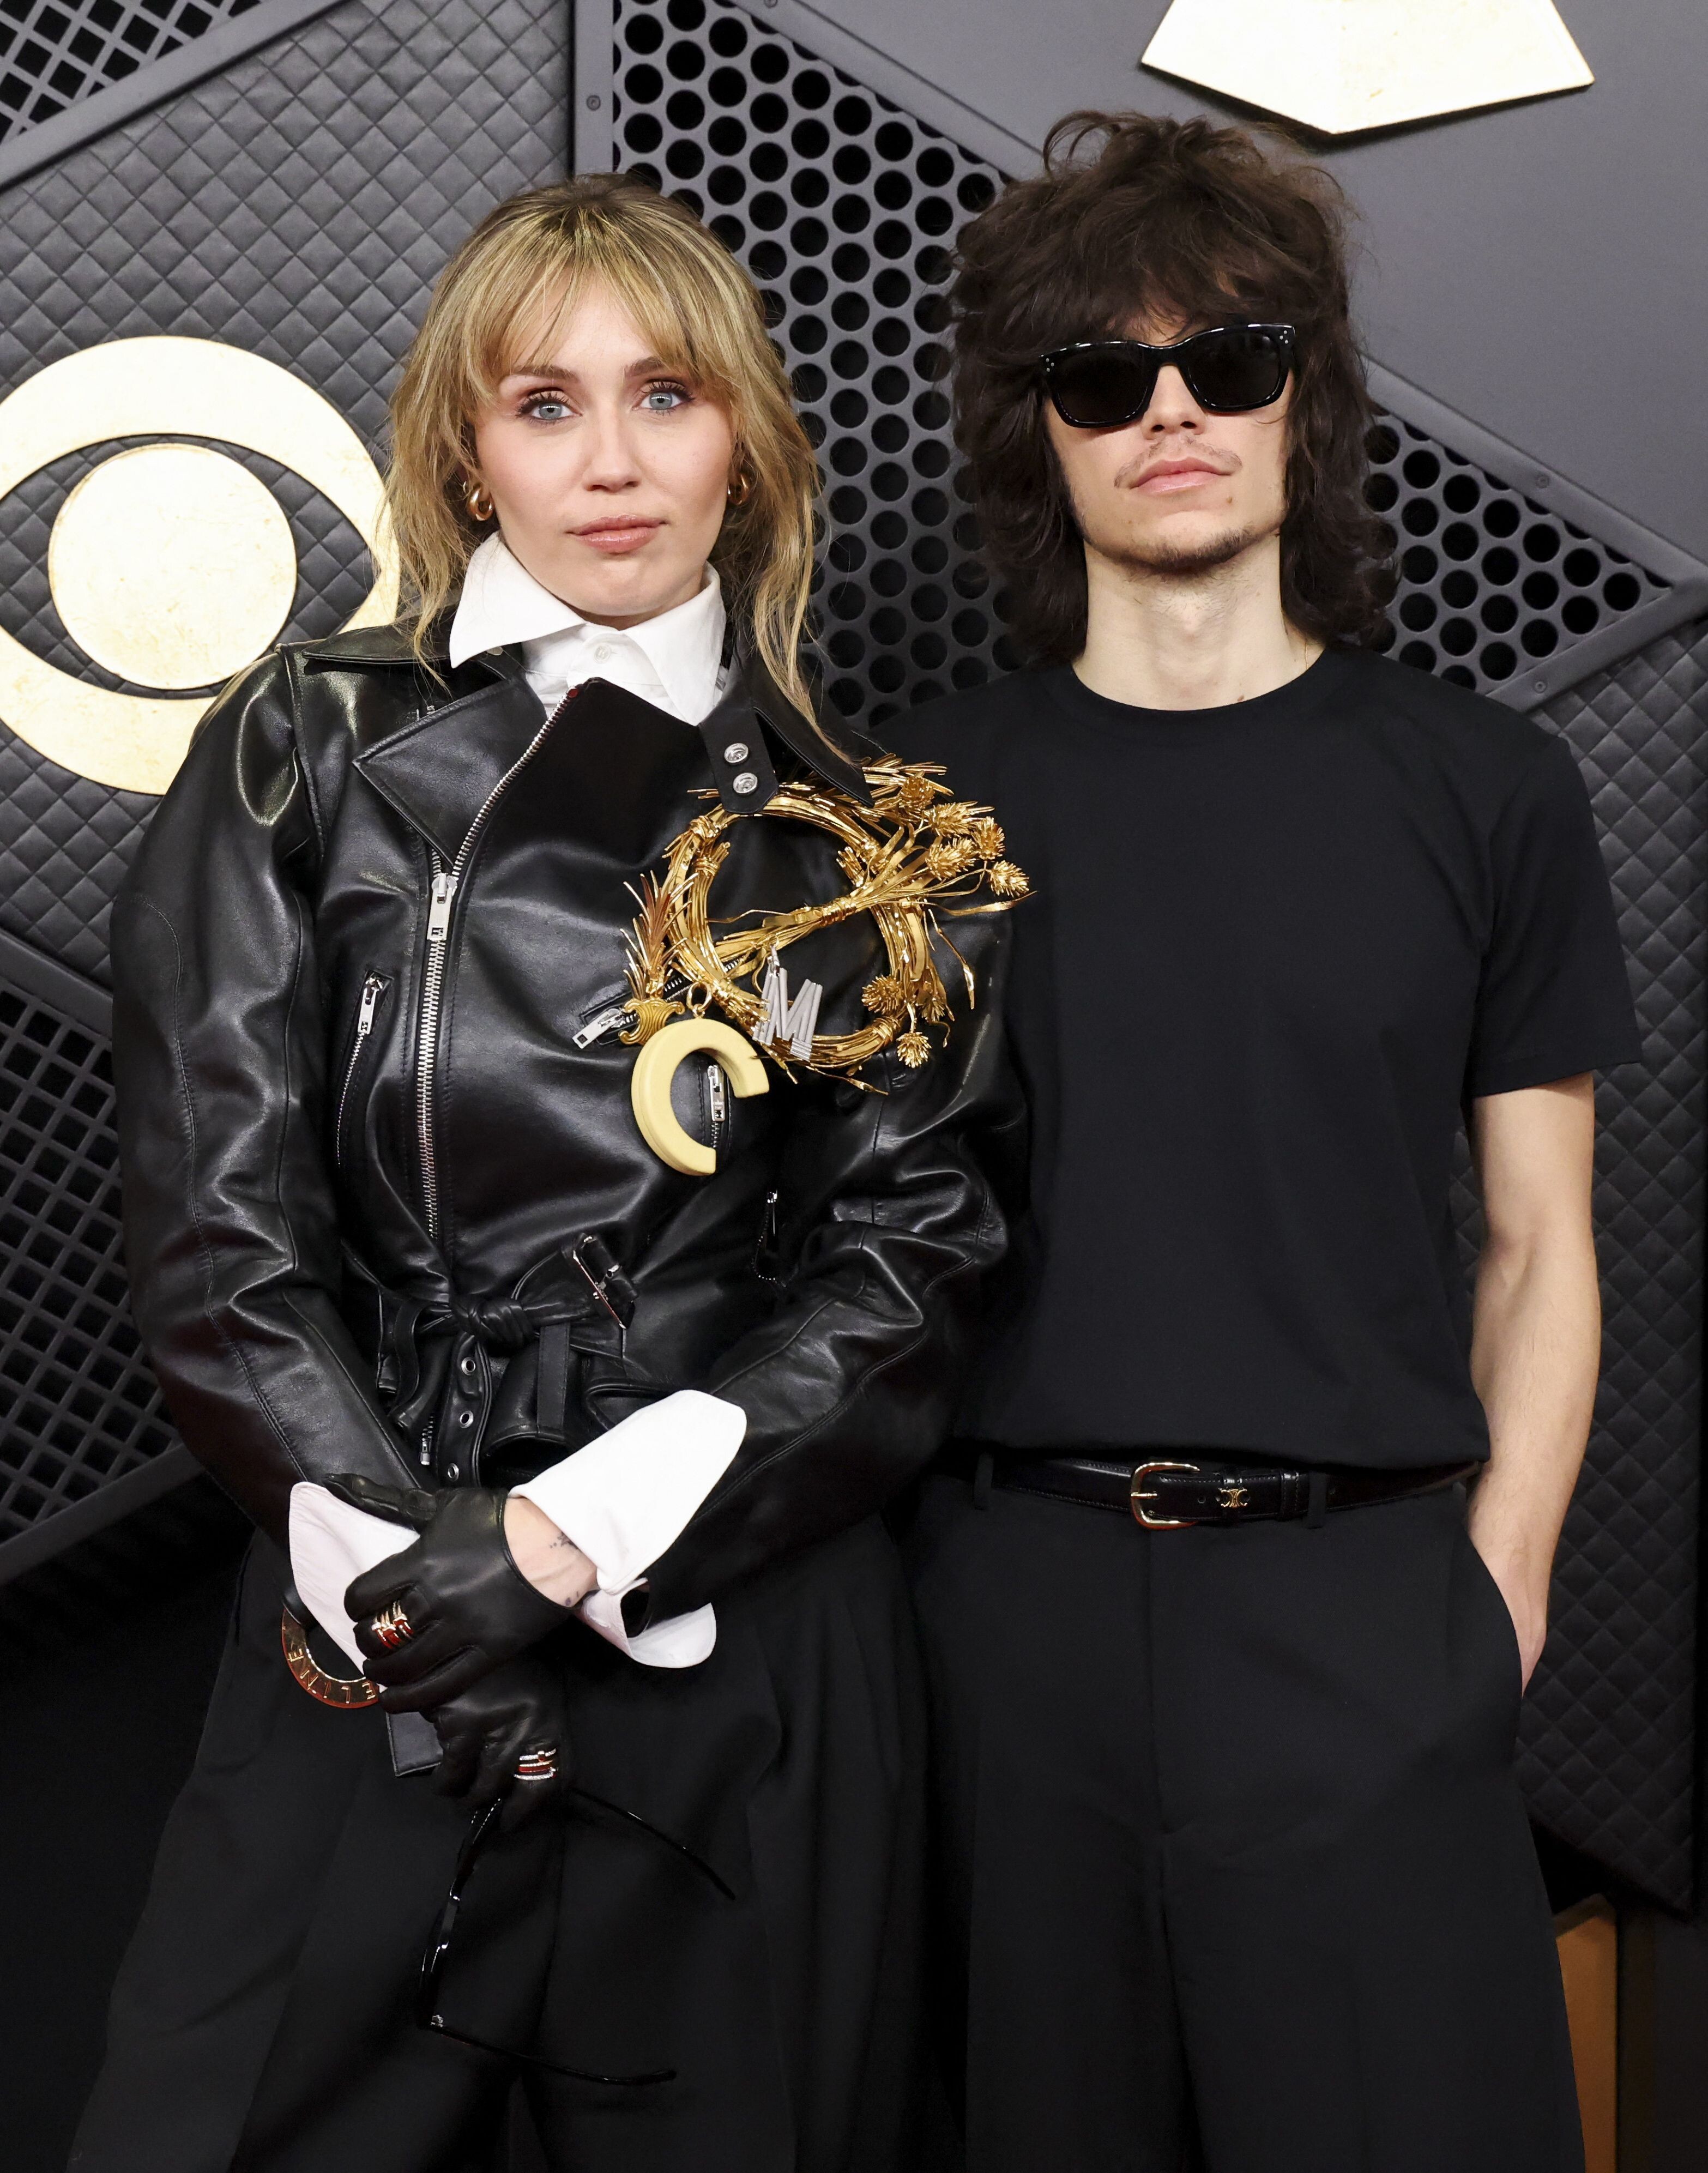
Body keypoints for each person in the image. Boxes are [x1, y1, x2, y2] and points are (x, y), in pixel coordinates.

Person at [72, 174, 1018, 2173]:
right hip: (368, 1577)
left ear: (746, 441)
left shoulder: (869, 841)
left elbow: (911, 1268)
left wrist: (569, 1542)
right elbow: (219, 1225)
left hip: (735, 1621)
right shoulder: (303, 744)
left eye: (667, 395)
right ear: (465, 451)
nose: (612, 461)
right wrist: (422, 1588)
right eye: (546, 403)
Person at [897, 113, 1641, 2173]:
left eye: (1228, 361)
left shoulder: (1488, 789)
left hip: (1365, 1609)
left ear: (1303, 400)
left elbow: (1542, 1241)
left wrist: (1497, 1597)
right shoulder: (912, 809)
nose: (1172, 414)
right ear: (1039, 431)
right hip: (1003, 1614)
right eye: (1104, 377)